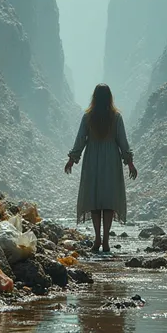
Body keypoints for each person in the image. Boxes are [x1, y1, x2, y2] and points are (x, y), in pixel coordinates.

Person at [64, 84, 138, 253]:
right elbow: (123, 142)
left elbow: (80, 139)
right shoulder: (116, 117)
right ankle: (105, 241)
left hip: (92, 161)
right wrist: (130, 163)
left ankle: (97, 239)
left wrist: (72, 159)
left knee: (96, 201)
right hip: (111, 160)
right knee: (108, 201)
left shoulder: (88, 117)